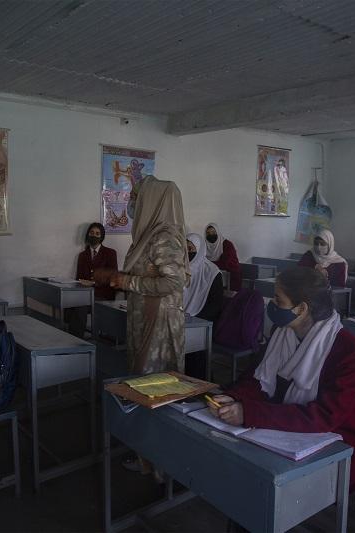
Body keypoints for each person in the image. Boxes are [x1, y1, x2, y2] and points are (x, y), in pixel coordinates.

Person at [209, 267, 355, 491]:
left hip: (340, 444)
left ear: (301, 309)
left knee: (254, 473)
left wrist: (249, 412)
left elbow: (325, 416)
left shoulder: (350, 352)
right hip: (287, 429)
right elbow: (257, 379)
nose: (271, 304)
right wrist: (232, 397)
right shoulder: (282, 331)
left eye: (278, 299)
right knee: (240, 462)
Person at [96, 176, 188, 478]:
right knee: (143, 386)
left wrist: (127, 281)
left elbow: (173, 282)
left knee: (155, 390)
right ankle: (148, 456)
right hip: (144, 318)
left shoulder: (165, 236)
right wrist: (120, 278)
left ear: (154, 201)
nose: (132, 202)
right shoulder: (149, 234)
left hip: (159, 325)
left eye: (137, 197)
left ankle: (163, 465)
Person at [183, 233, 224, 379]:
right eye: (184, 249)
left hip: (203, 321)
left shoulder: (212, 272)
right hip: (181, 319)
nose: (187, 252)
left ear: (199, 250)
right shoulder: (180, 268)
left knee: (196, 363)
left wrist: (194, 320)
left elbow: (216, 304)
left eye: (190, 249)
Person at [67, 222, 118, 337]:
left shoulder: (110, 253)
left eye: (97, 233)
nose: (94, 235)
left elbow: (113, 277)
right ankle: (70, 337)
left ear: (102, 236)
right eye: (91, 232)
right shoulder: (82, 255)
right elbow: (79, 278)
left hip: (103, 295)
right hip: (85, 294)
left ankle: (76, 339)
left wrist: (94, 283)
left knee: (80, 305)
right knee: (68, 302)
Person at [205, 223, 242, 291]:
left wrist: (207, 264)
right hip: (212, 275)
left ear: (218, 233)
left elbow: (225, 263)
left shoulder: (227, 244)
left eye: (213, 232)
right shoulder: (205, 245)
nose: (211, 235)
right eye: (208, 233)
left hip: (231, 278)